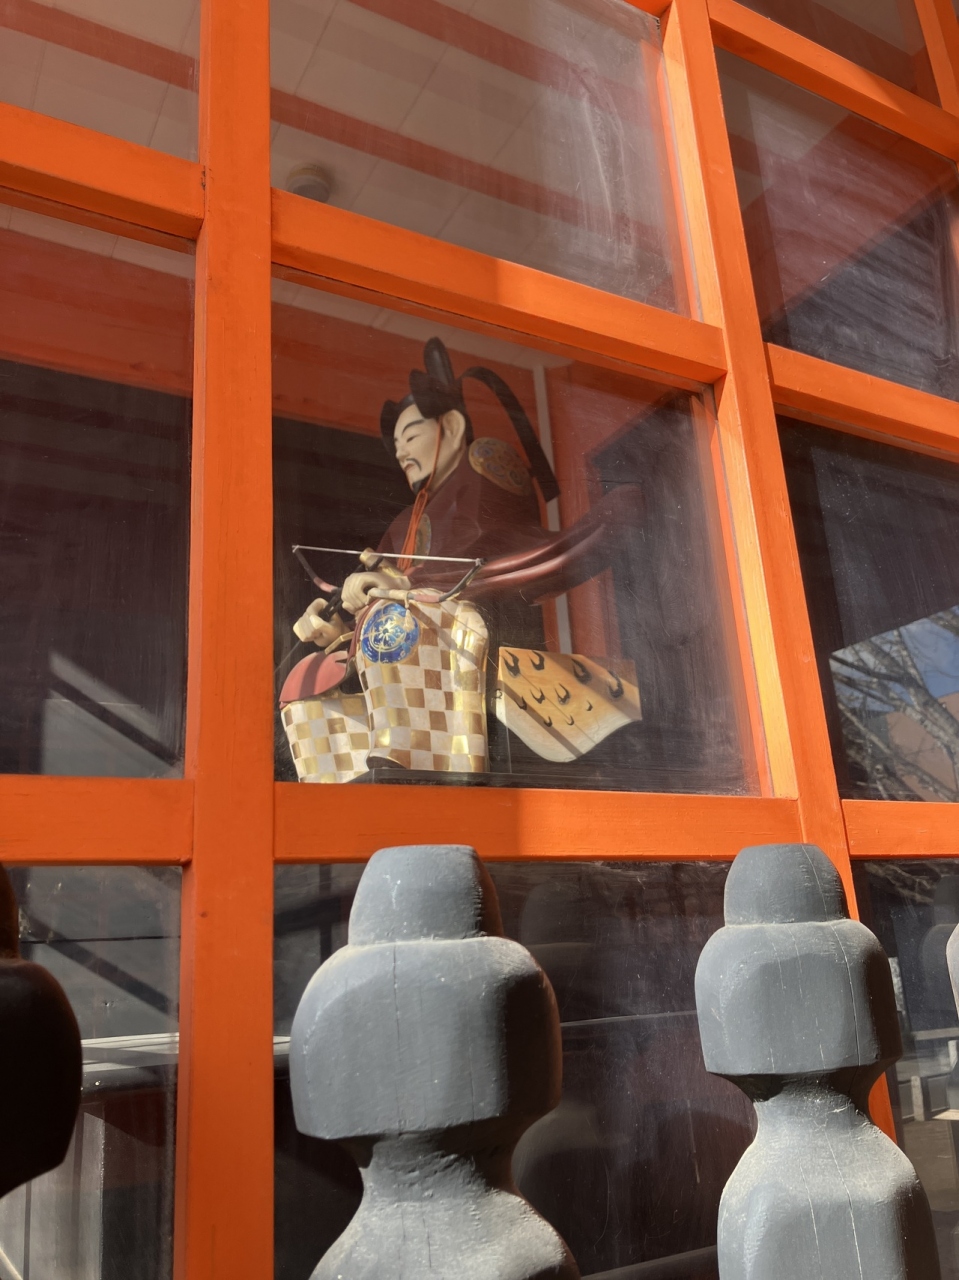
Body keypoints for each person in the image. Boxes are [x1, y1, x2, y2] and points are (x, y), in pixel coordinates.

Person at [280, 337, 559, 782]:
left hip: (473, 623)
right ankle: (335, 773)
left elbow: (482, 545)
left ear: (452, 426)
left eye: (410, 436)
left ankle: (408, 757)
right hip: (412, 632)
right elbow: (381, 585)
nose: (400, 452)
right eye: (396, 444)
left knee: (392, 622)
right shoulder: (405, 521)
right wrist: (340, 620)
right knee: (314, 671)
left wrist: (400, 587)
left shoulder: (485, 462)